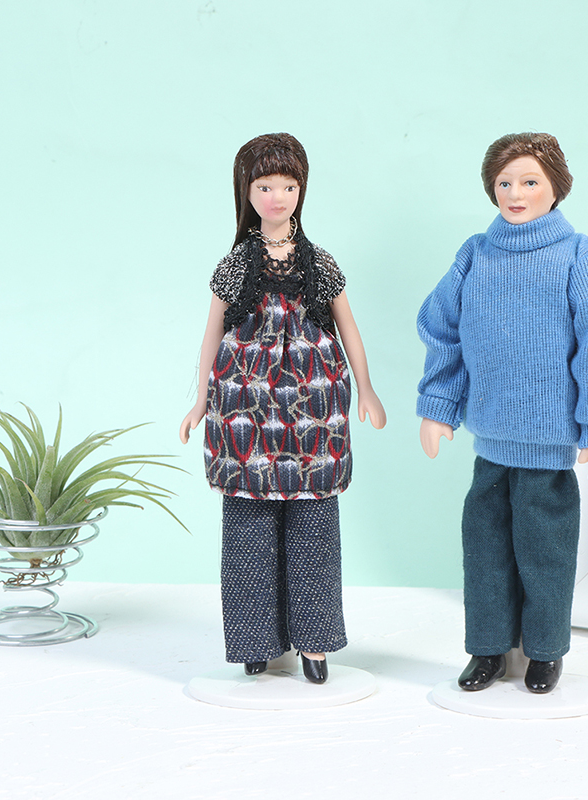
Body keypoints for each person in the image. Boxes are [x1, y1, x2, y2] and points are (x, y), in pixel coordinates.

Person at [416, 132, 588, 694]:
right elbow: (444, 328)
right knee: (484, 553)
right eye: (504, 182)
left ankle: (544, 652)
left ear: (556, 187)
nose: (515, 193)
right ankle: (487, 648)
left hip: (549, 446)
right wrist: (438, 406)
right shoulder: (475, 254)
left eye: (530, 181)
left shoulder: (575, 254)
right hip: (490, 441)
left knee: (545, 556)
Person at [181, 133, 386, 684]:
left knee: (314, 526)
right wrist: (199, 399)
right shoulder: (235, 265)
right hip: (242, 405)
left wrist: (366, 388)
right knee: (246, 527)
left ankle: (315, 644)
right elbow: (211, 333)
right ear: (246, 192)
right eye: (265, 186)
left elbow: (348, 327)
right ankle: (257, 642)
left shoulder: (320, 262)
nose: (277, 197)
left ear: (302, 189)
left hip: (315, 407)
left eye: (288, 186)